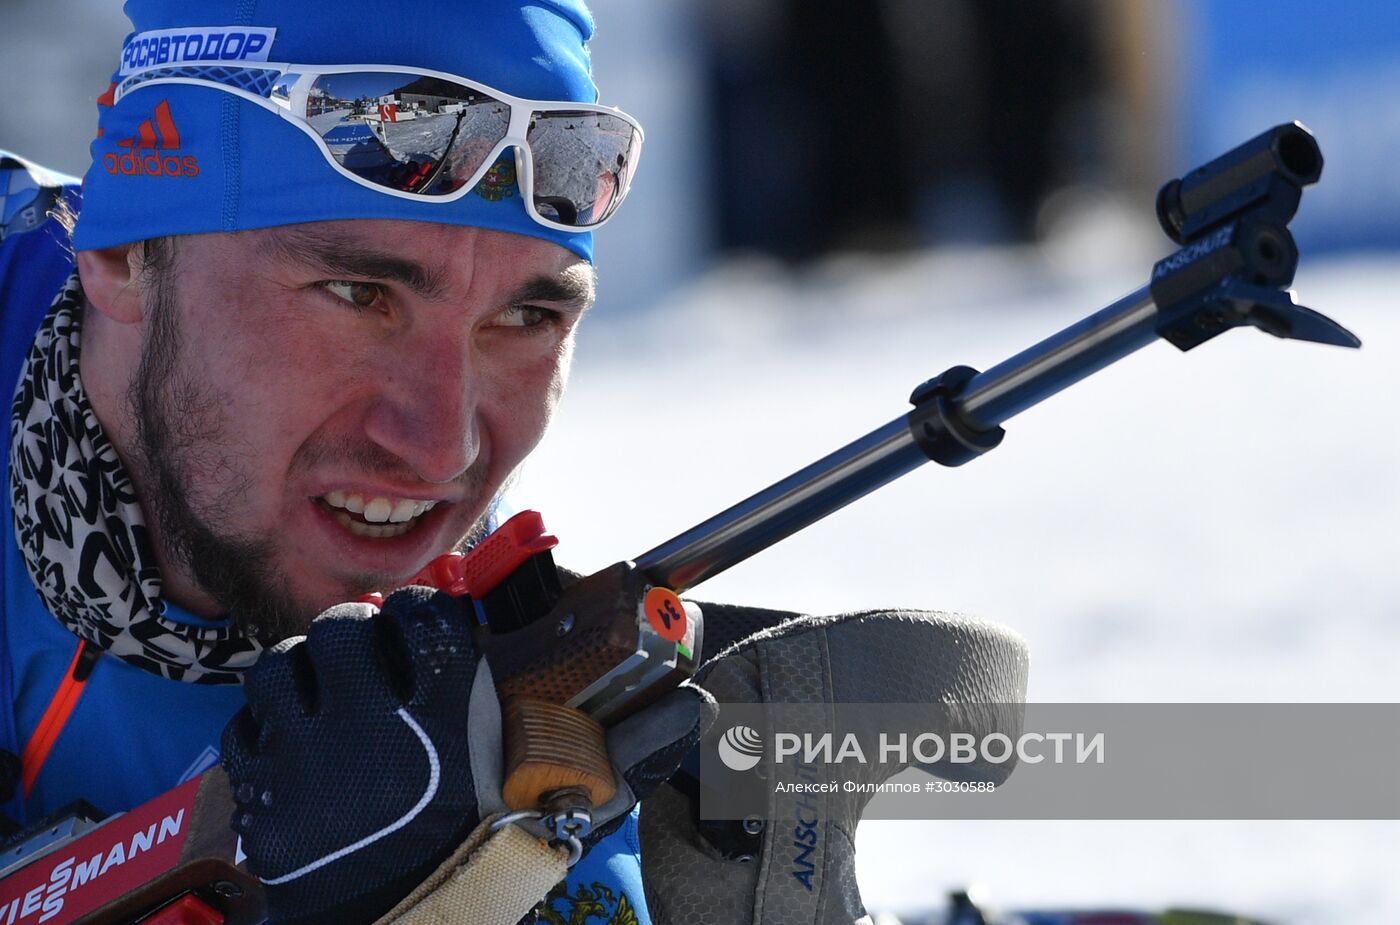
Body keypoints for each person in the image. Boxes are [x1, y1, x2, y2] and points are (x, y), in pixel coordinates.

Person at [1, 2, 1028, 922]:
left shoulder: (482, 710)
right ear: (123, 255)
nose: (443, 447)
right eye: (360, 297)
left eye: (526, 317)